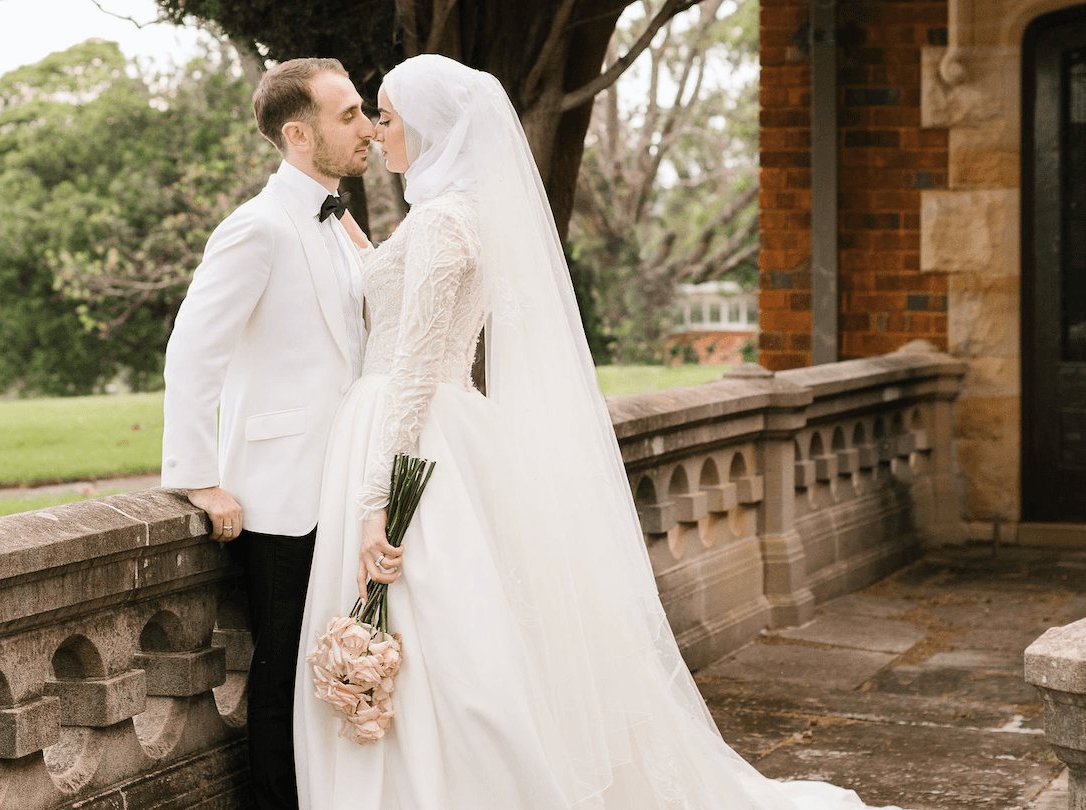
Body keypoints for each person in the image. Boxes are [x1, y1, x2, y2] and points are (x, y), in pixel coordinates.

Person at [293, 53, 902, 810]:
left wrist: (383, 499)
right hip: (434, 429)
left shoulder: (446, 223)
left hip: (411, 439)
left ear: (427, 125)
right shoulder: (450, 215)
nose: (379, 131)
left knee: (454, 649)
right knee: (466, 639)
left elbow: (416, 366)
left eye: (385, 115)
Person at [160, 57, 374, 810]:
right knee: (281, 676)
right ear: (297, 132)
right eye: (347, 115)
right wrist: (197, 475)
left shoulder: (340, 222)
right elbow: (193, 351)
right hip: (283, 497)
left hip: (351, 486)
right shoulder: (254, 227)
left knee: (338, 670)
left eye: (363, 111)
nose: (368, 127)